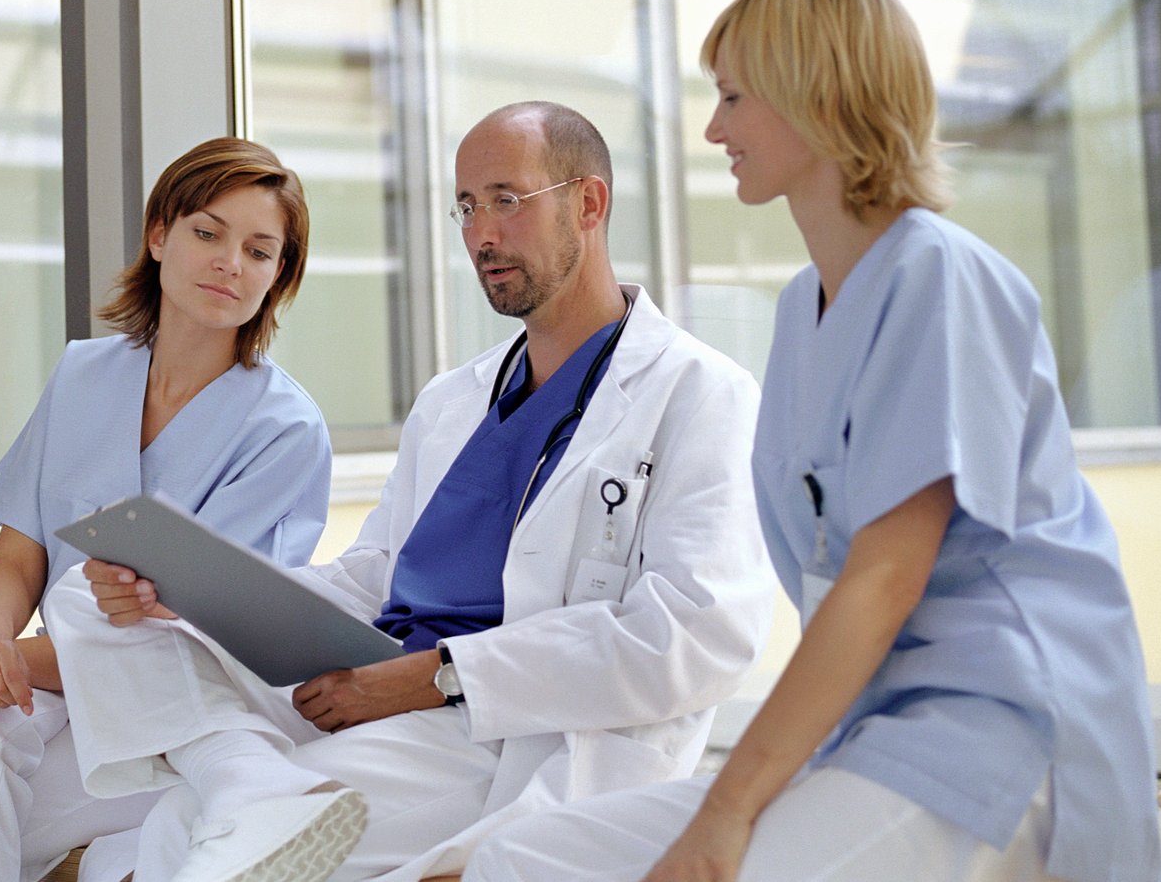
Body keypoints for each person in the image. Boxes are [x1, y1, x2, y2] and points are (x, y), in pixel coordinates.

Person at [463, 0, 1161, 882]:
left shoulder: (940, 278)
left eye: (732, 97)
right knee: (525, 856)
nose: (713, 128)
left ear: (816, 93)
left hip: (999, 734)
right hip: (876, 730)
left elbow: (880, 579)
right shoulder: (803, 310)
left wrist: (725, 815)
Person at [42, 101, 774, 882]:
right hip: (370, 679)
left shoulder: (699, 392)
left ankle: (244, 784)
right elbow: (375, 575)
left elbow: (696, 638)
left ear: (587, 203)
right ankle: (243, 773)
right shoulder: (454, 399)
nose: (481, 234)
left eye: (505, 200)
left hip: (502, 728)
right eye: (466, 207)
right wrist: (194, 597)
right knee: (94, 598)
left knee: (182, 836)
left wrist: (433, 676)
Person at [0, 138, 333, 882]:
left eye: (259, 251)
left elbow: (187, 637)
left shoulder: (285, 429)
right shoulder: (83, 374)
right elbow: (19, 554)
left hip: (176, 716)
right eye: (208, 233)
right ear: (159, 235)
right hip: (58, 687)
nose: (230, 263)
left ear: (278, 276)